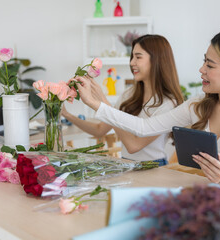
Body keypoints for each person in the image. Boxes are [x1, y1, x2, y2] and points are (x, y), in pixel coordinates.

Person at [76, 30, 220, 192]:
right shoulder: (197, 106)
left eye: (210, 65)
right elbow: (143, 127)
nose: (202, 69)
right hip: (207, 202)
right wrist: (96, 103)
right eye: (204, 61)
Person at [62, 34, 184, 166]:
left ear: (157, 60)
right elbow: (99, 130)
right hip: (127, 165)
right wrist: (67, 115)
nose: (132, 63)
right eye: (132, 57)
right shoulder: (129, 94)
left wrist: (103, 102)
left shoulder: (168, 104)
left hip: (153, 167)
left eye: (138, 57)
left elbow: (134, 145)